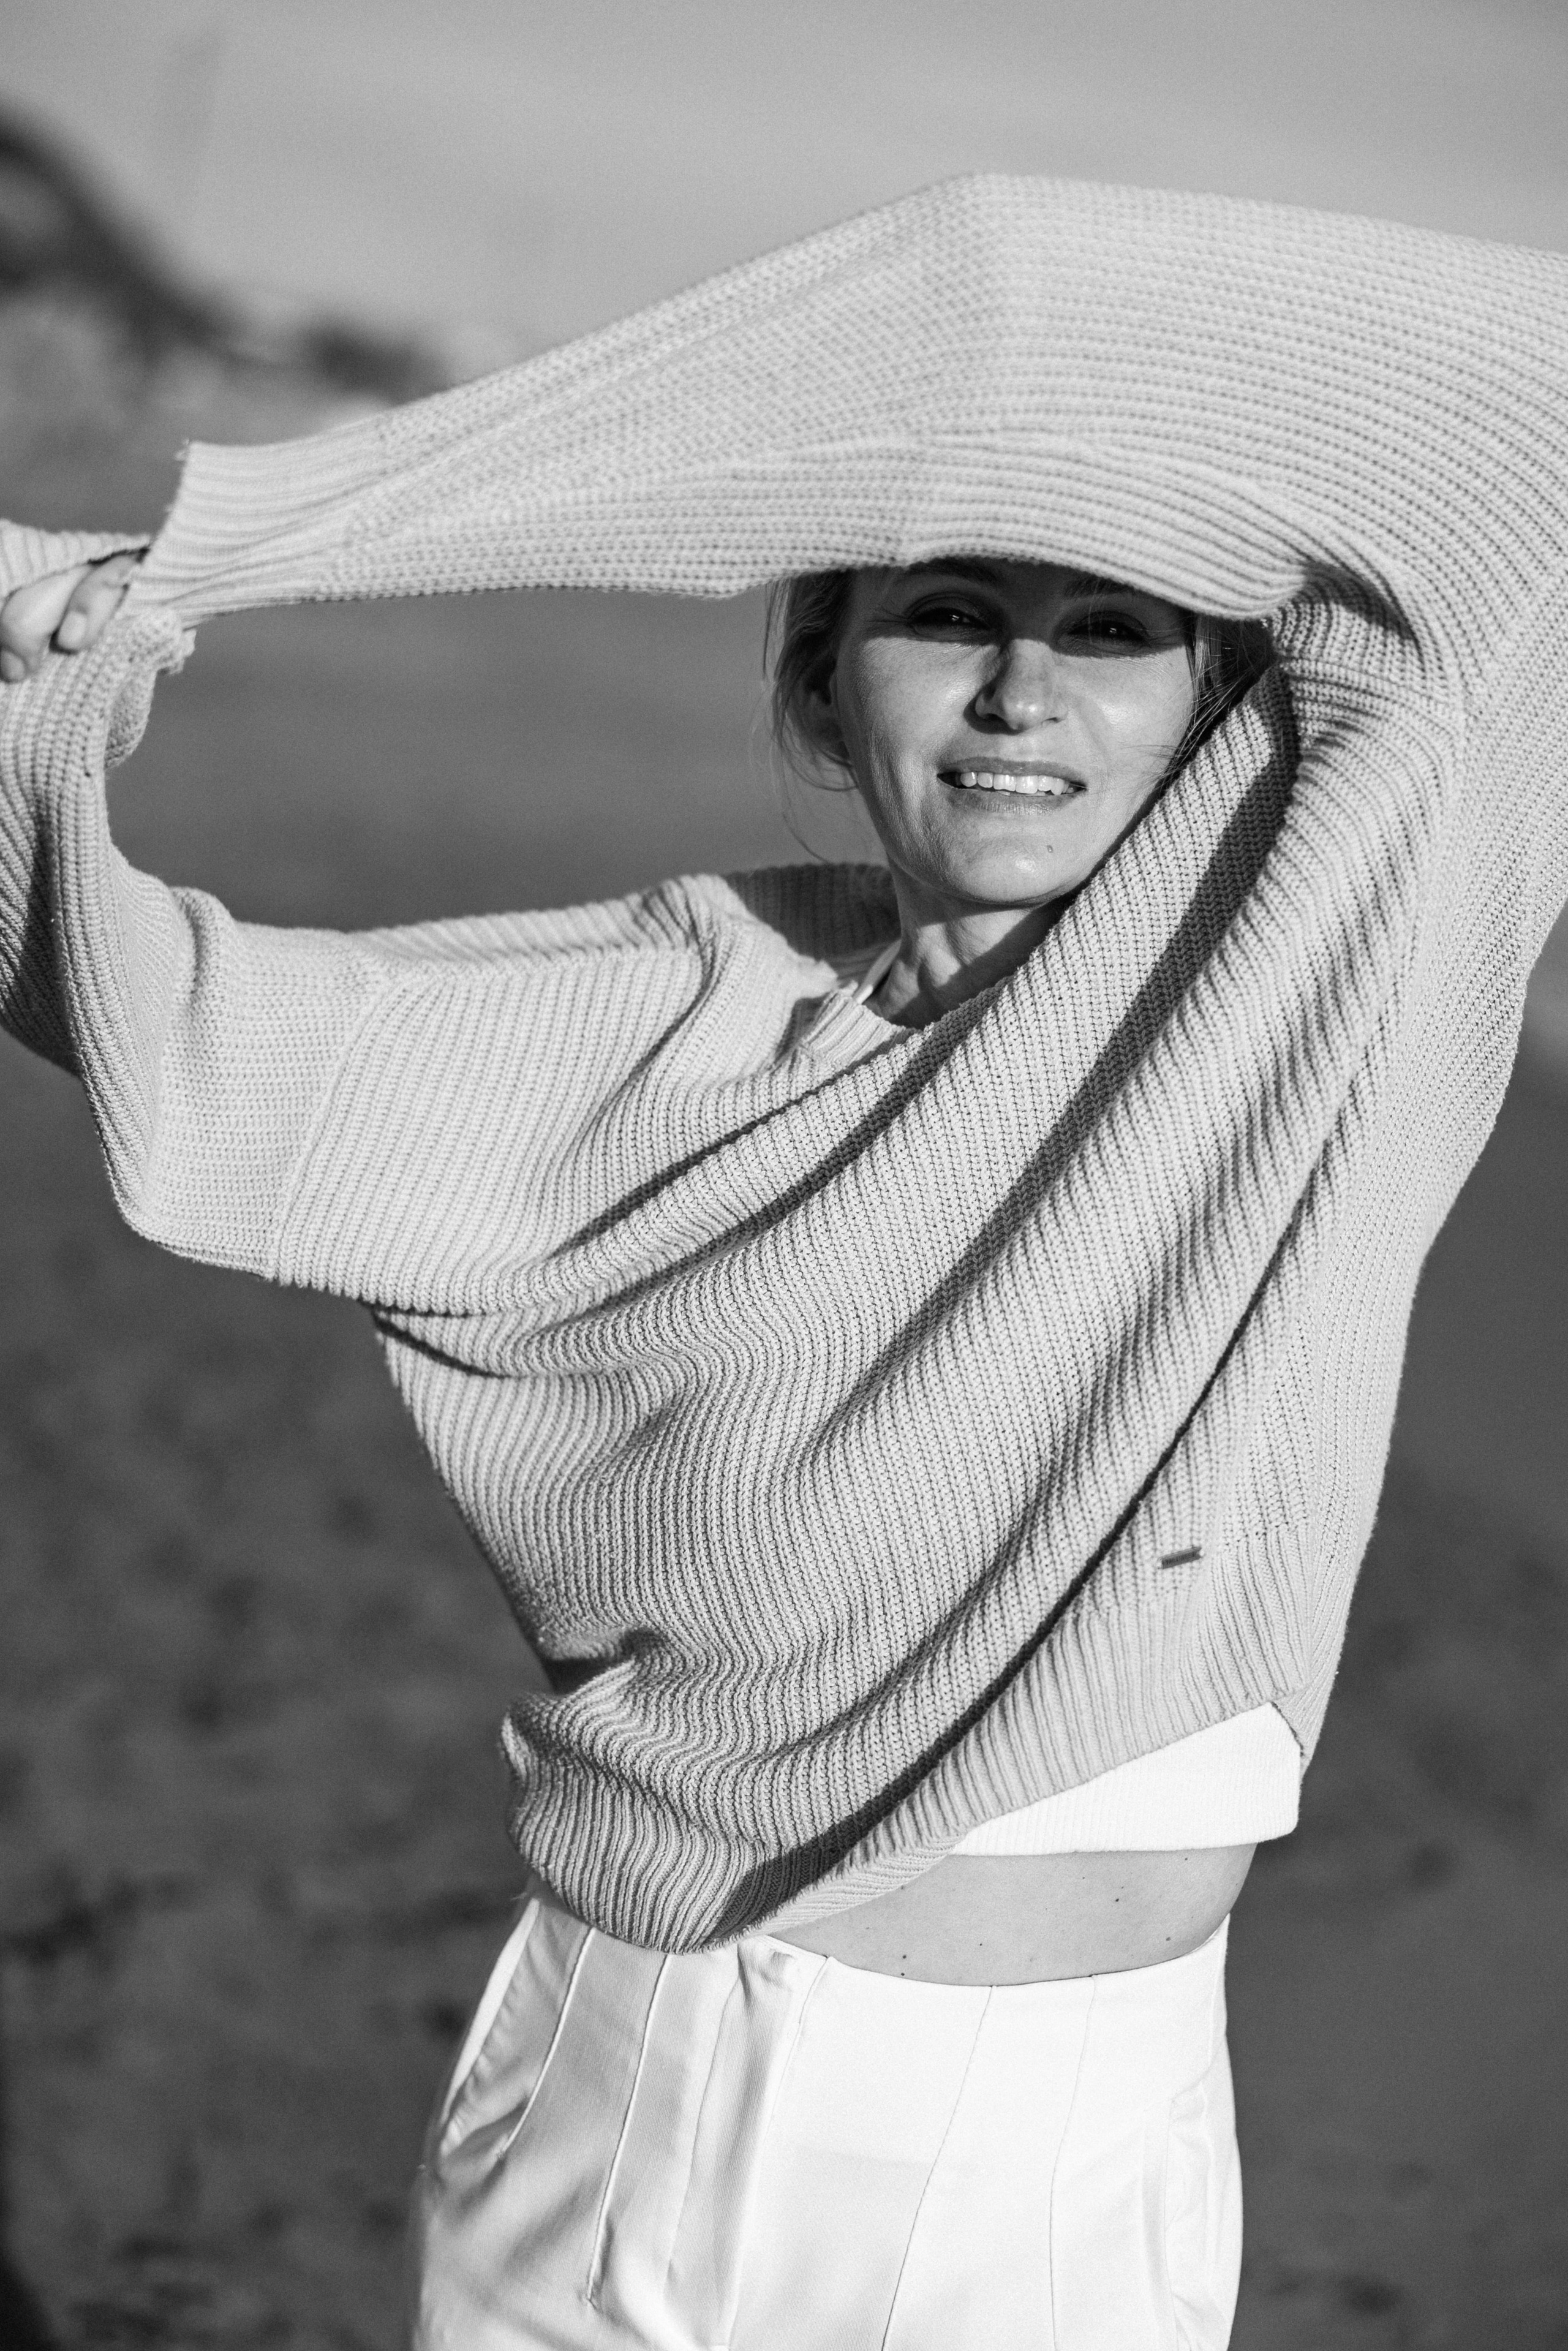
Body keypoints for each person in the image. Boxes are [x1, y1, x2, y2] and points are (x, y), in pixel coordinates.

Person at [1, 175, 1565, 2348]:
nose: (1026, 690)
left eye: (1116, 623)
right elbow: (181, 1040)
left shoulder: (1317, 971)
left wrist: (271, 530)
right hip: (591, 2077)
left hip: (1007, 2171)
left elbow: (1506, 416)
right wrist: (48, 679)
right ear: (833, 681)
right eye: (952, 611)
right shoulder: (692, 990)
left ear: (1226, 700)